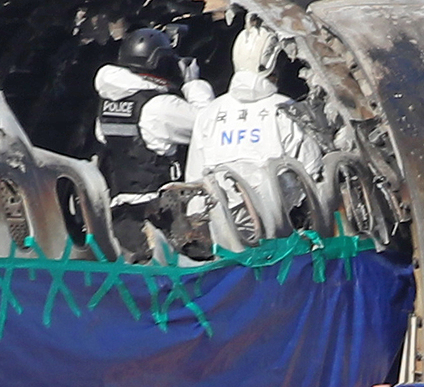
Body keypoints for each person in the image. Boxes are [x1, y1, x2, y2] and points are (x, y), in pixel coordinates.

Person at [94, 27, 213, 260]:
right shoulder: (160, 107)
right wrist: (192, 83)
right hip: (161, 215)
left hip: (121, 215)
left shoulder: (108, 104)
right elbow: (209, 126)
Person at [186, 19, 323, 220]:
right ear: (273, 64)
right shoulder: (287, 110)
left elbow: (195, 180)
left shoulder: (209, 113)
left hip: (225, 233)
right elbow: (312, 171)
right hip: (283, 229)